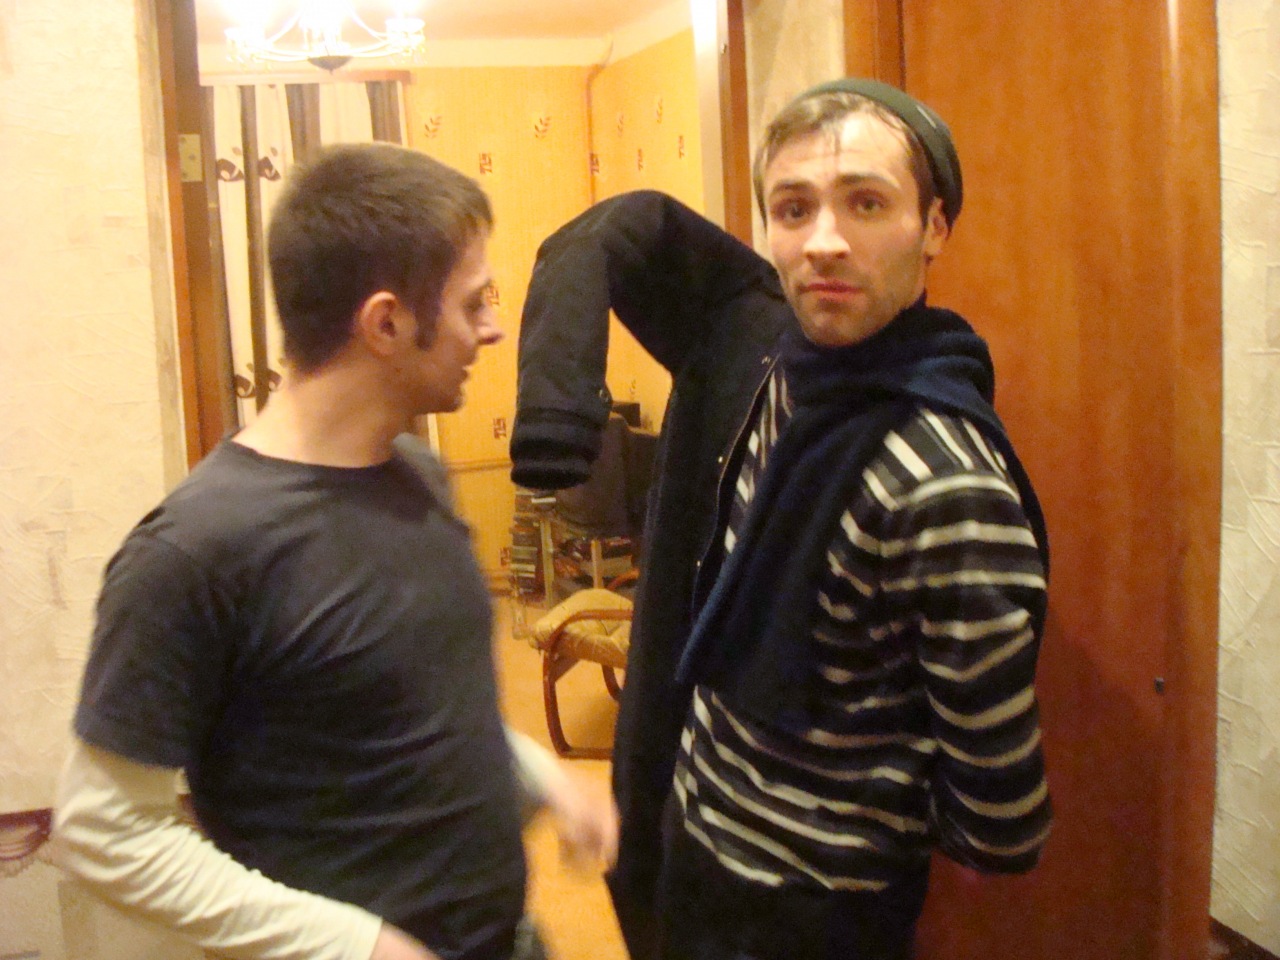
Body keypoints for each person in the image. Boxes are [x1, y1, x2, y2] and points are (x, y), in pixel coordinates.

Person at [511, 78, 1051, 960]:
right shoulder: (779, 376)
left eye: (866, 202)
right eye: (793, 209)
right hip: (695, 844)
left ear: (934, 226)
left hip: (815, 910)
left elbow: (999, 803)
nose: (823, 241)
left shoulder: (945, 484)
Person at [51, 142, 616, 960]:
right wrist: (359, 946)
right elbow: (105, 830)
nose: (493, 330)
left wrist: (547, 778)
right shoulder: (194, 551)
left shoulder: (420, 476)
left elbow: (415, 715)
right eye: (473, 304)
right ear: (386, 323)